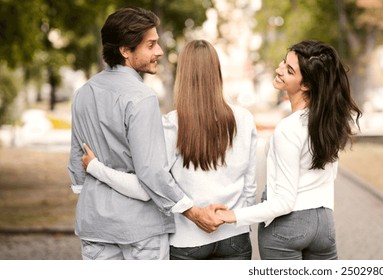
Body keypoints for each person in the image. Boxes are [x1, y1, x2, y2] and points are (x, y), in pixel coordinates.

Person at [67, 7, 223, 260]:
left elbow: (77, 164)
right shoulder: (142, 98)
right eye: (150, 45)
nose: (159, 52)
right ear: (125, 50)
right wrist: (192, 211)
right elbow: (151, 172)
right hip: (141, 229)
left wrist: (94, 197)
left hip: (95, 225)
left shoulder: (83, 93)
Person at [79, 39, 258, 260]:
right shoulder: (245, 119)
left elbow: (147, 186)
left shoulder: (171, 125)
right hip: (235, 236)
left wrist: (96, 168)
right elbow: (250, 187)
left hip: (187, 242)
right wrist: (240, 223)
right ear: (217, 71)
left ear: (182, 76)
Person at [216, 39, 362, 260]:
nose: (279, 69)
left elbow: (283, 202)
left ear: (306, 85)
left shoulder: (288, 128)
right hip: (324, 225)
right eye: (284, 62)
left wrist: (232, 216)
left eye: (289, 70)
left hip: (287, 227)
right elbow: (328, 177)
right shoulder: (329, 124)